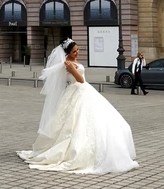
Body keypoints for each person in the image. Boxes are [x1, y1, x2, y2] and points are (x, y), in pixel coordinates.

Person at [17, 38, 138, 174]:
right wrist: (73, 69)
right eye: (74, 51)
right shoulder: (68, 64)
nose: (77, 53)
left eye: (78, 50)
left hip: (84, 91)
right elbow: (80, 80)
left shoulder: (72, 62)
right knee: (76, 121)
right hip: (78, 91)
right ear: (67, 53)